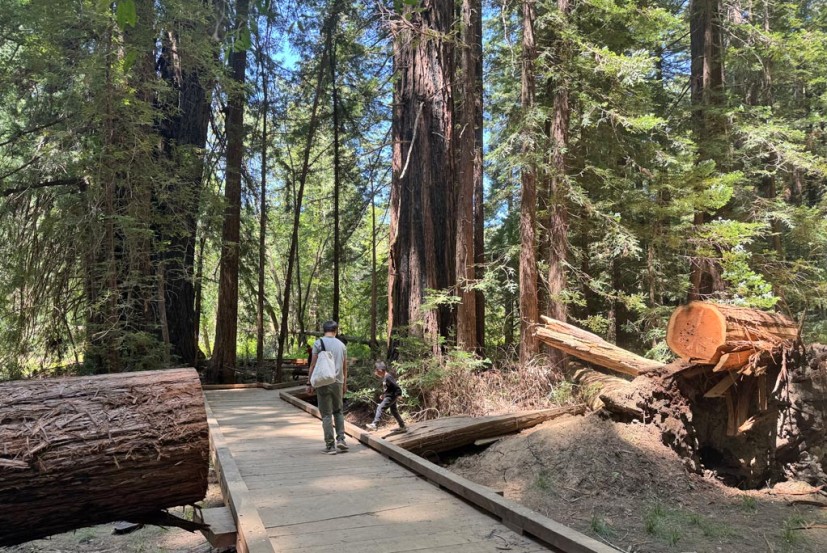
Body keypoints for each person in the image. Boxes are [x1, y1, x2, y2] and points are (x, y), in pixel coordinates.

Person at [307, 321, 349, 454]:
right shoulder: (341, 345)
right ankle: (341, 439)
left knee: (326, 415)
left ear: (323, 330)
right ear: (335, 330)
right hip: (338, 382)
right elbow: (344, 367)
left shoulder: (318, 343)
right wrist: (344, 384)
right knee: (338, 411)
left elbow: (313, 365)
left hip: (324, 381)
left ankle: (330, 446)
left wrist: (309, 383)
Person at [366, 361, 407, 432]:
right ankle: (402, 426)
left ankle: (374, 424)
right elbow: (389, 389)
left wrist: (399, 394)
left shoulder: (388, 377)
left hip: (391, 397)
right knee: (394, 411)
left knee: (380, 407)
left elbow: (396, 386)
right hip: (390, 396)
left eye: (376, 371)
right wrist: (383, 395)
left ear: (380, 370)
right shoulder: (385, 377)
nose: (376, 373)